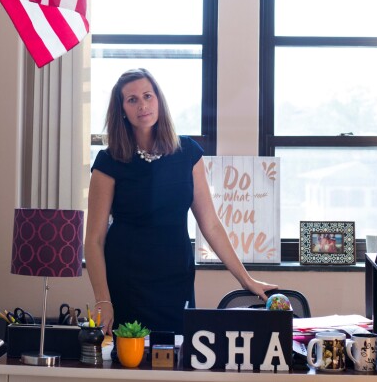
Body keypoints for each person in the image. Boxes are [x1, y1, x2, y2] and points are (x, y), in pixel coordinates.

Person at [85, 68, 277, 336]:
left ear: (159, 100)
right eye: (132, 100)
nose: (142, 105)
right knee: (129, 363)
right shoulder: (108, 161)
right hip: (126, 278)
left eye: (148, 96)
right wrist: (103, 300)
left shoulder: (188, 153)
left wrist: (246, 280)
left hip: (176, 276)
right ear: (122, 111)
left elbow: (210, 224)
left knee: (177, 359)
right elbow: (93, 239)